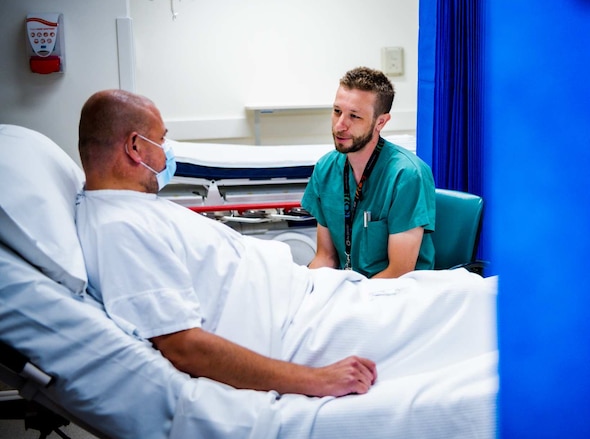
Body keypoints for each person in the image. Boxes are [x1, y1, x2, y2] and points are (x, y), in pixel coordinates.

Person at [75, 89, 495, 399]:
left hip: (309, 298)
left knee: (462, 294)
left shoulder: (138, 210)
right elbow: (184, 346)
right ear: (134, 147)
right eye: (161, 140)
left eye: (353, 115)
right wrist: (313, 379)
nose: (167, 155)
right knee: (471, 311)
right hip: (298, 329)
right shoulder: (120, 229)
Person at [302, 67, 436, 278]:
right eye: (337, 111)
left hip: (397, 297)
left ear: (380, 122)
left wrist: (349, 302)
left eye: (354, 116)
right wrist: (303, 290)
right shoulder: (326, 169)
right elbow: (326, 257)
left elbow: (399, 272)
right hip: (349, 291)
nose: (340, 125)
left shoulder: (406, 175)